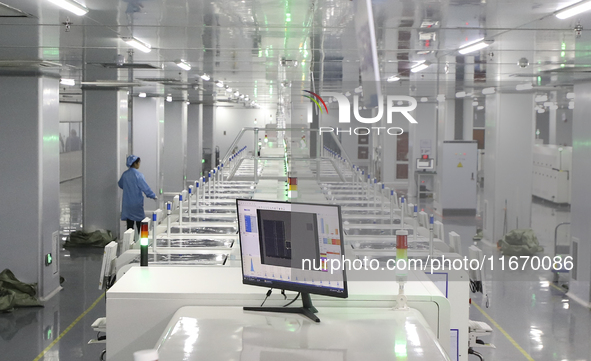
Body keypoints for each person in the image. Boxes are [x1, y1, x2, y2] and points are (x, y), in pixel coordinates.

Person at [118, 155, 157, 233]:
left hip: (127, 204)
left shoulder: (125, 174)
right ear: (135, 163)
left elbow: (120, 184)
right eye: (138, 162)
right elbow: (145, 187)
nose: (139, 164)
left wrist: (128, 188)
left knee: (129, 226)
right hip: (136, 204)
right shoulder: (138, 175)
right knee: (140, 224)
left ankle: (129, 243)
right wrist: (152, 195)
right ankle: (140, 242)